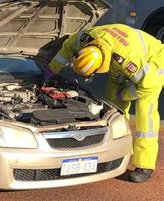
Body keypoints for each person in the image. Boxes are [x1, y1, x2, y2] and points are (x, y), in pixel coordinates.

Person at [44, 24, 164, 183]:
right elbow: (66, 49)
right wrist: (50, 70)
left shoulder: (127, 59)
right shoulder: (85, 39)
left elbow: (148, 86)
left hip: (153, 64)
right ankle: (119, 150)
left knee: (145, 117)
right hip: (121, 67)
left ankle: (145, 165)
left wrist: (125, 94)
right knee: (113, 110)